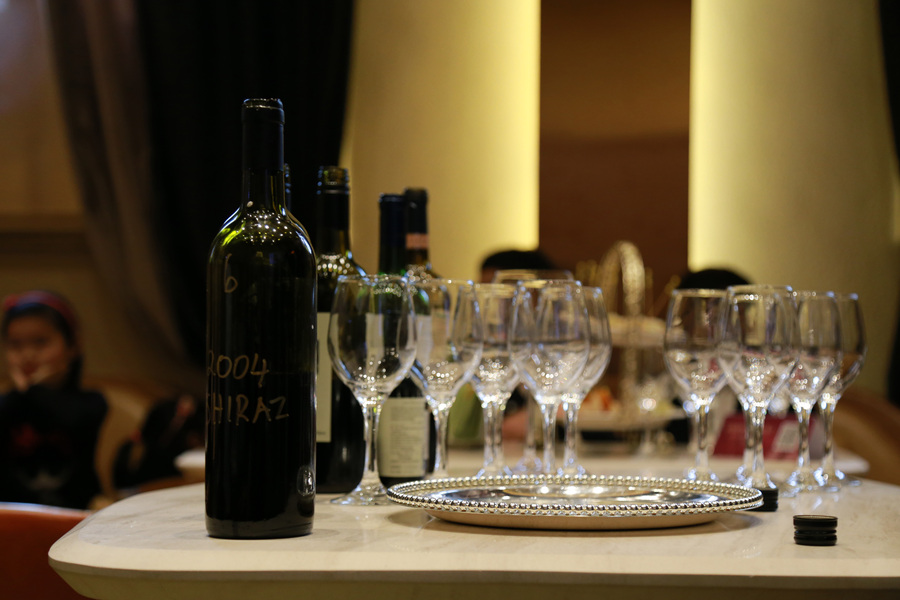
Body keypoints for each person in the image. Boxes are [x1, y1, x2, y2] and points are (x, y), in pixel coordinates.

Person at [0, 291, 107, 509]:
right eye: (16, 345)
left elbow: (73, 420)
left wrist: (32, 390)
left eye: (40, 342)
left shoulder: (91, 403)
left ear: (73, 345)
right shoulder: (7, 405)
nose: (28, 355)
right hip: (13, 518)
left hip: (77, 517)